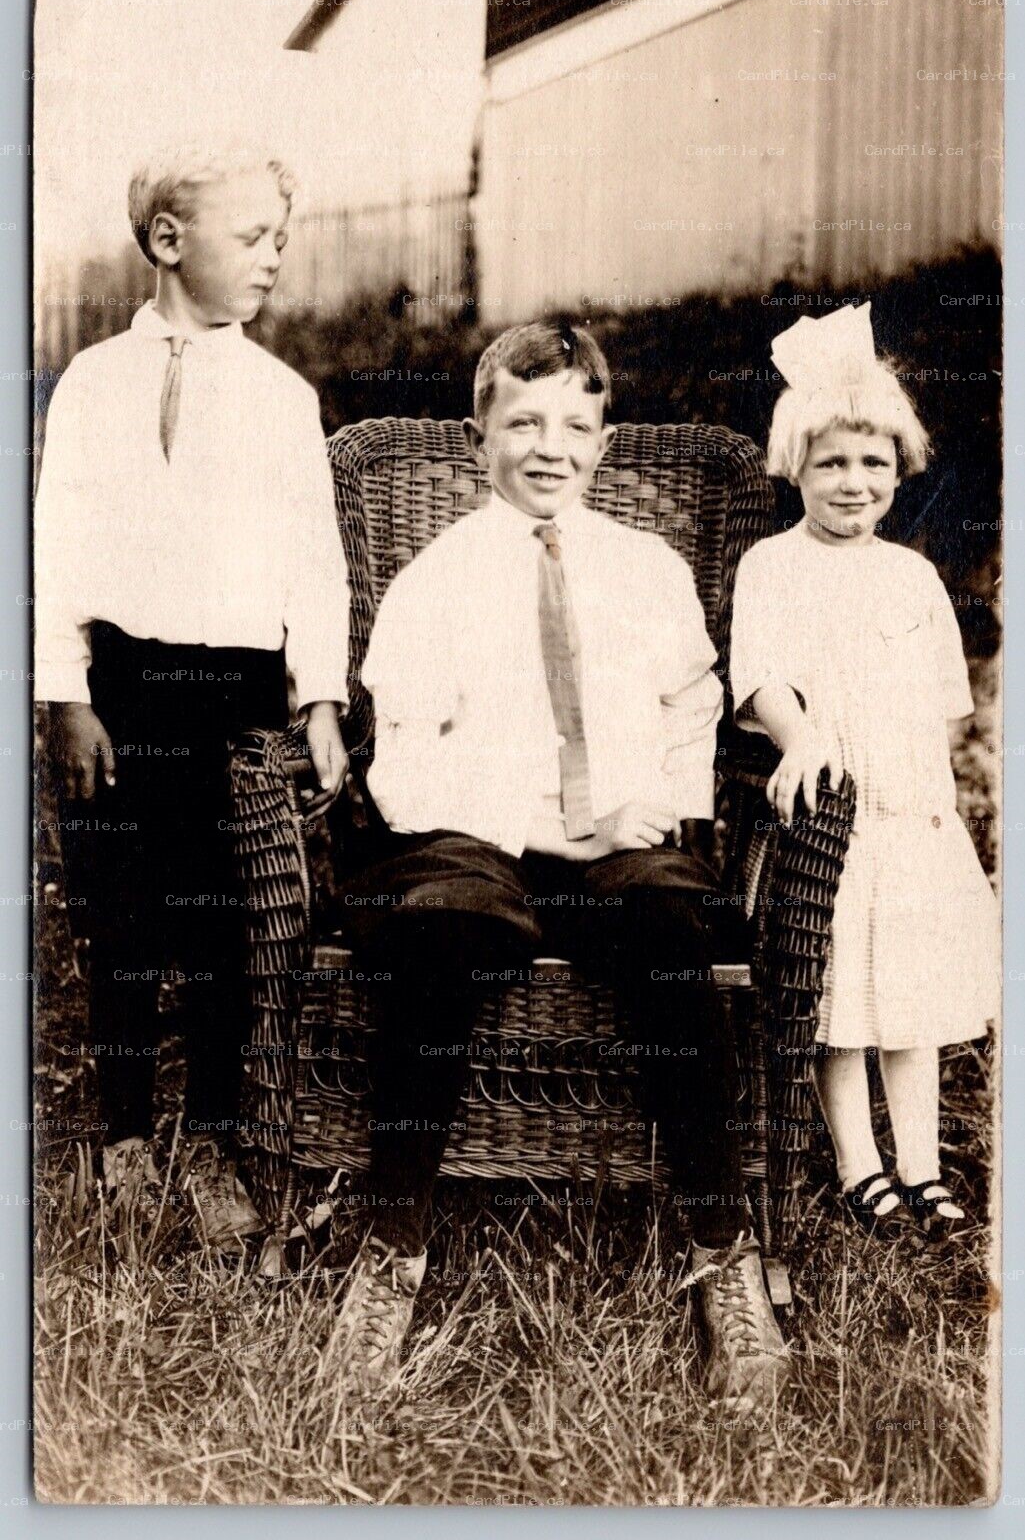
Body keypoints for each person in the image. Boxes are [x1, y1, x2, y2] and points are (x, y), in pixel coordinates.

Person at [331, 321, 789, 1410]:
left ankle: (720, 1251)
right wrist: (545, 826)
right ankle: (392, 1244)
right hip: (471, 835)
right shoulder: (434, 579)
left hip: (617, 838)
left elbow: (692, 710)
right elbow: (401, 765)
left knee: (672, 930)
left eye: (574, 427)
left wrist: (659, 813)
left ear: (604, 441)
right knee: (445, 926)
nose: (549, 448)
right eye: (523, 422)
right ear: (474, 433)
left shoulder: (647, 570)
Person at [35, 145, 350, 1246]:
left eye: (279, 237)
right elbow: (57, 544)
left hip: (235, 694)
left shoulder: (280, 398)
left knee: (223, 920)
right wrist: (63, 691)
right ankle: (124, 1130)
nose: (273, 259)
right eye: (251, 236)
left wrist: (317, 702)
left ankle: (213, 1133)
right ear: (168, 241)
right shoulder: (92, 383)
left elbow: (314, 563)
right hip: (123, 685)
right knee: (118, 910)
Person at [730, 301, 999, 1242]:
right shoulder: (772, 566)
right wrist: (799, 736)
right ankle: (859, 1164)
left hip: (910, 816)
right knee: (841, 997)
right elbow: (759, 674)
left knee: (910, 997)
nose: (853, 482)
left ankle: (921, 1164)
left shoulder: (911, 577)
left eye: (872, 462)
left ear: (900, 469)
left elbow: (938, 706)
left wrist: (943, 810)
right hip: (832, 818)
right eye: (831, 461)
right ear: (793, 465)